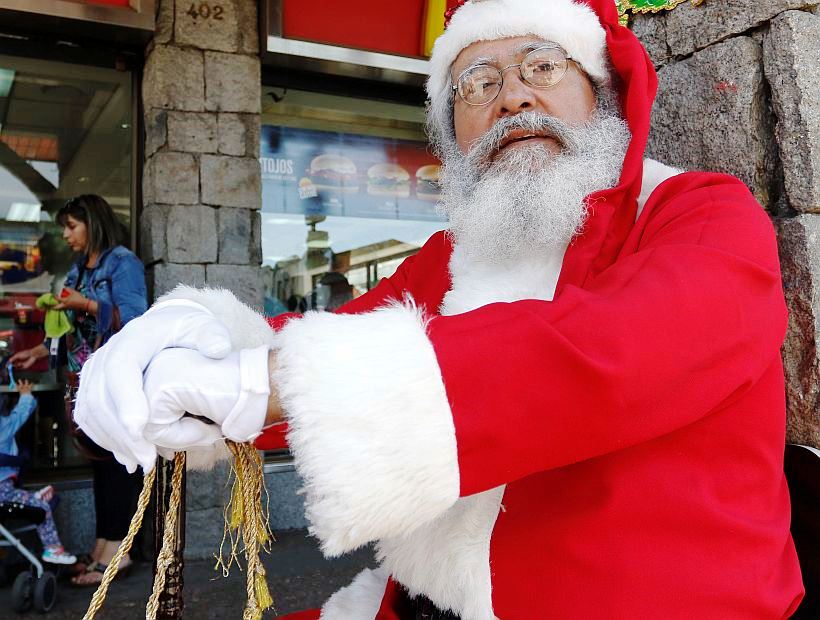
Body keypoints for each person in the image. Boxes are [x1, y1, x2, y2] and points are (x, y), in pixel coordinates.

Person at [73, 0, 805, 618]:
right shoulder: (454, 254)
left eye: (543, 67)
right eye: (477, 83)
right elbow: (334, 336)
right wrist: (204, 342)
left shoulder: (703, 214)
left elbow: (611, 354)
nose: (513, 97)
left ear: (601, 91)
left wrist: (268, 380)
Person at [10, 194, 147, 586]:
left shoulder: (123, 262)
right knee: (101, 467)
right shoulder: (76, 270)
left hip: (113, 381)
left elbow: (137, 320)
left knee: (119, 466)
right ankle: (104, 544)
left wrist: (85, 303)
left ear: (92, 221)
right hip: (84, 383)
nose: (66, 235)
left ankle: (119, 551)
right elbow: (66, 329)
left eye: (71, 226)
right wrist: (38, 351)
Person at [0, 379, 77, 565]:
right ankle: (52, 548)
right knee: (40, 508)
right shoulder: (3, 427)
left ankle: (31, 496)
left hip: (6, 490)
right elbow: (18, 416)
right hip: (3, 492)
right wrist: (26, 396)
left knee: (25, 499)